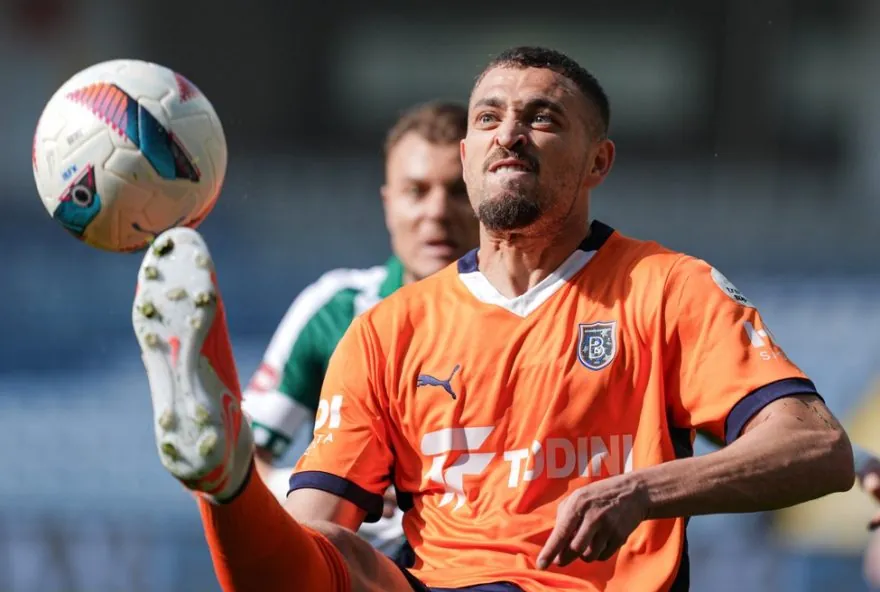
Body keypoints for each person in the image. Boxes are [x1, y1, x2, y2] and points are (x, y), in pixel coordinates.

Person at [131, 46, 855, 592]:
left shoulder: (666, 288)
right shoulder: (386, 329)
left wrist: (643, 490)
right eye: (489, 118)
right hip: (438, 585)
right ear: (468, 154)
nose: (509, 133)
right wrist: (245, 505)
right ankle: (225, 485)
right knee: (336, 553)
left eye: (542, 118)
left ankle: (228, 489)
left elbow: (818, 447)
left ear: (598, 161)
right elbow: (313, 537)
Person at [239, 101, 478, 559]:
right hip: (357, 571)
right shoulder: (335, 310)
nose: (437, 212)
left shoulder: (533, 316)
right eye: (416, 191)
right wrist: (323, 489)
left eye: (458, 191)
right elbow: (244, 462)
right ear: (388, 204)